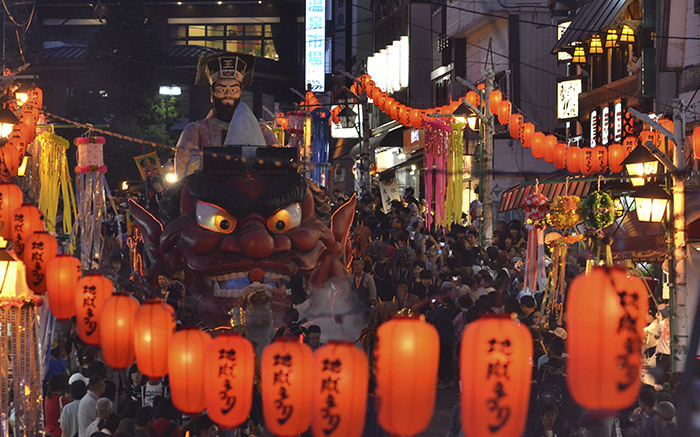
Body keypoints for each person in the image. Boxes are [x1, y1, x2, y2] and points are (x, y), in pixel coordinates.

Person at [174, 52, 279, 178]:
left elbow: (278, 160)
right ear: (212, 94)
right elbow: (185, 164)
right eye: (221, 90)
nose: (228, 95)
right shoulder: (196, 130)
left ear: (241, 93)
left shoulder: (261, 130)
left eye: (234, 90)